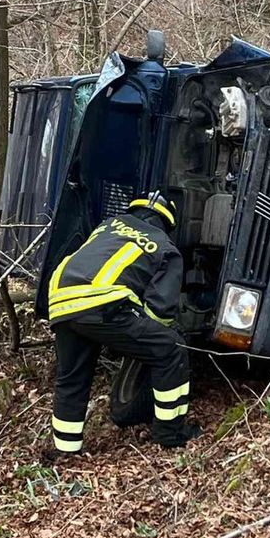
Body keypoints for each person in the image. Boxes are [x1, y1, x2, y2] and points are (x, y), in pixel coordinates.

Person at [46, 191, 200, 455]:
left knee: (72, 377)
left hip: (60, 300)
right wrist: (134, 338)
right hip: (103, 305)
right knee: (172, 348)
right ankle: (169, 433)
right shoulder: (164, 246)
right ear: (168, 221)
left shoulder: (107, 226)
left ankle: (65, 450)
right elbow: (159, 312)